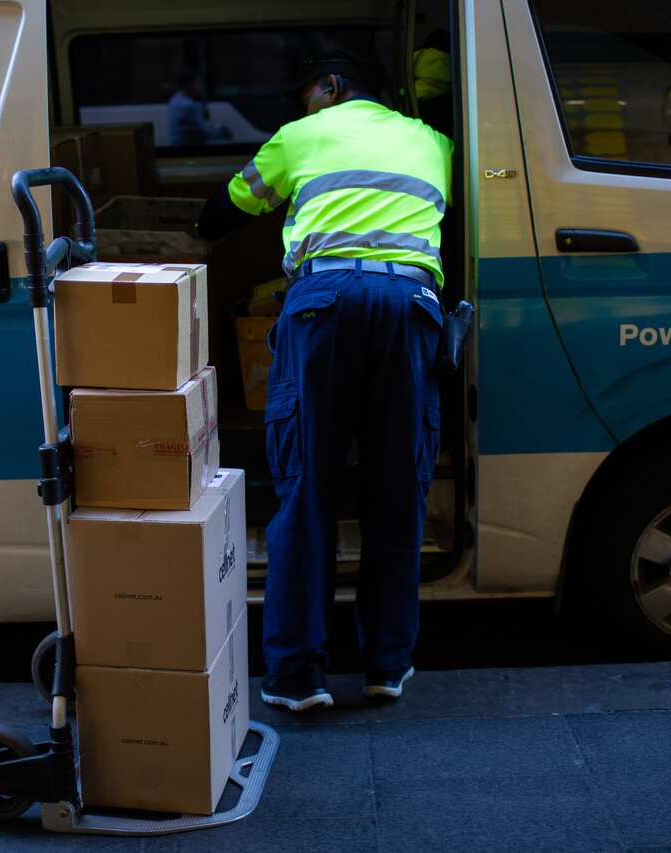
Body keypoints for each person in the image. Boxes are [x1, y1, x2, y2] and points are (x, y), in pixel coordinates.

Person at [195, 52, 452, 711]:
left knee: (308, 488)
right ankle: (386, 666)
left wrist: (198, 230)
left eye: (307, 94)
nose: (305, 105)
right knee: (398, 489)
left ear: (331, 88)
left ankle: (297, 675)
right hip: (412, 304)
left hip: (326, 301)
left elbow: (233, 202)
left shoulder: (304, 132)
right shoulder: (432, 141)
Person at [167, 70, 231, 147]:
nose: (200, 86)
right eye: (197, 83)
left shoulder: (174, 99)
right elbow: (204, 132)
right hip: (187, 149)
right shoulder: (188, 105)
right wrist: (222, 131)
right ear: (189, 85)